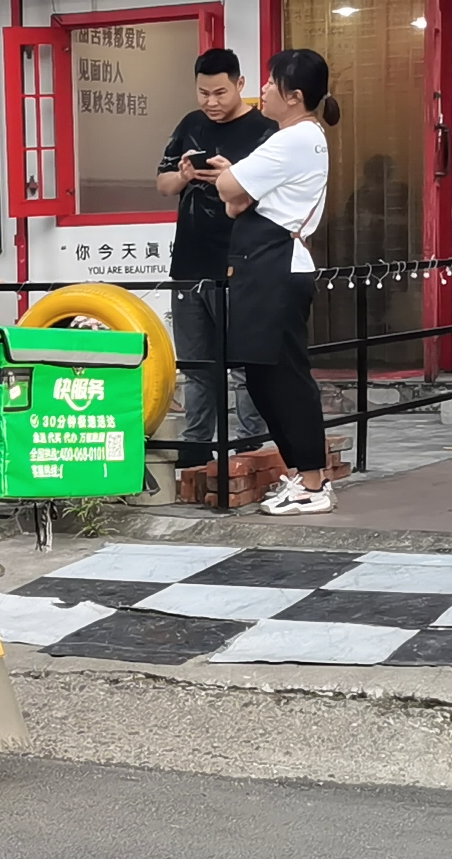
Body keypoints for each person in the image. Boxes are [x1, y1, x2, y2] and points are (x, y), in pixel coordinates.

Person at [212, 48, 339, 515]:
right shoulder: (295, 137)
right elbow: (236, 201)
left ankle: (312, 482)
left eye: (270, 82)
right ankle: (302, 474)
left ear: (295, 95)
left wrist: (232, 180)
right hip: (266, 264)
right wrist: (236, 187)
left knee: (284, 378)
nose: (262, 89)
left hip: (277, 266)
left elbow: (230, 192)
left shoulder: (293, 139)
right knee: (263, 376)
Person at [157, 48, 277, 467]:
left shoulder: (265, 130)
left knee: (245, 363)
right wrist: (185, 175)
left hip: (241, 261)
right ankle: (196, 449)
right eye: (203, 92)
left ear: (240, 85)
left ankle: (252, 448)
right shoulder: (190, 125)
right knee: (196, 364)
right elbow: (164, 184)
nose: (211, 102)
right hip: (189, 264)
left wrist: (231, 175)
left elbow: (270, 194)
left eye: (220, 92)